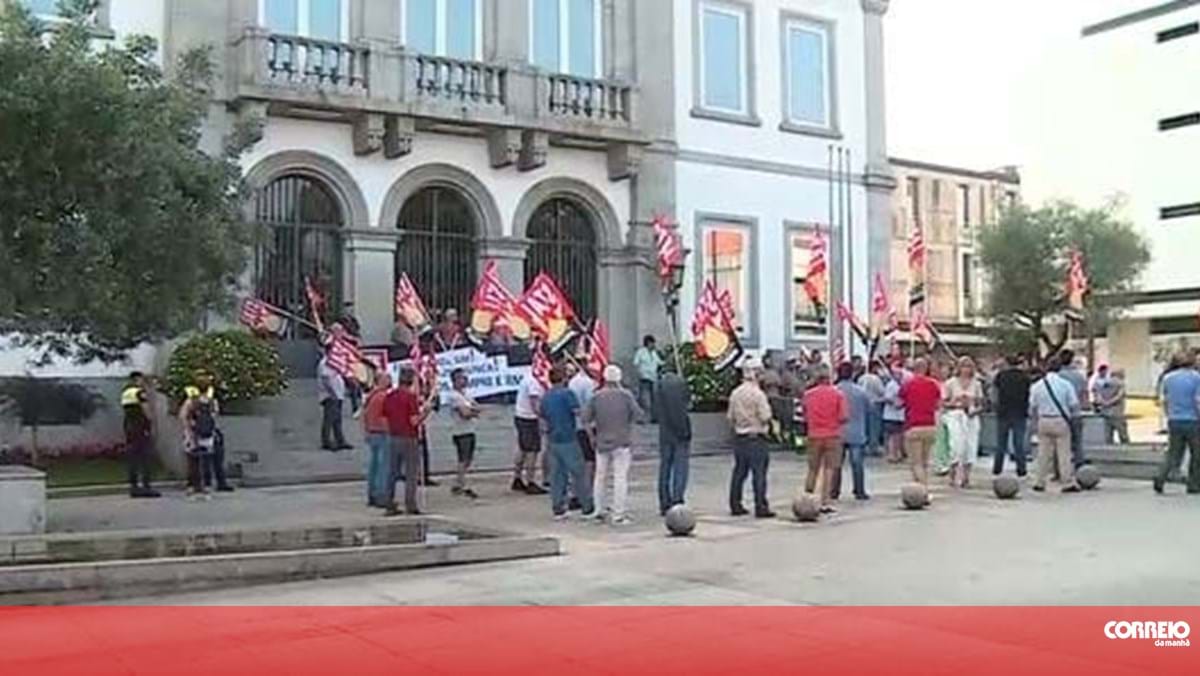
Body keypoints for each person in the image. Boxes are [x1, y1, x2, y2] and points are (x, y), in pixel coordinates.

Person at [584, 365, 643, 525]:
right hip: (622, 441)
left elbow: (586, 419)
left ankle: (599, 510)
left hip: (602, 441)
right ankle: (618, 514)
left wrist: (591, 437)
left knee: (600, 477)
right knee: (620, 478)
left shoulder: (596, 396)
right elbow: (639, 415)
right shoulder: (626, 395)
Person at [540, 366, 596, 520]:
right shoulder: (568, 394)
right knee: (579, 473)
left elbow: (543, 420)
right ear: (563, 378)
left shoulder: (546, 396)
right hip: (569, 437)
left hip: (553, 439)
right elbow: (579, 414)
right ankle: (587, 507)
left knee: (557, 476)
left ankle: (558, 508)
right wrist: (590, 434)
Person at [727, 358, 776, 518]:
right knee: (759, 473)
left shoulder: (735, 393)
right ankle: (760, 506)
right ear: (755, 373)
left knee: (739, 472)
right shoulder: (758, 394)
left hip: (740, 436)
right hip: (756, 436)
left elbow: (730, 417)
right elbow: (765, 416)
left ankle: (735, 504)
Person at [1029, 357, 1081, 493]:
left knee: (1043, 453)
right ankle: (1067, 482)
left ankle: (1039, 481)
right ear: (1060, 368)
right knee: (1064, 452)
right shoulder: (1065, 384)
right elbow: (1073, 404)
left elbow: (1032, 406)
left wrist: (1035, 422)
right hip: (1060, 420)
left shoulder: (1037, 385)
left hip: (1043, 420)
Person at [383, 368, 429, 515]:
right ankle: (410, 504)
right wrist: (426, 413)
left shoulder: (390, 396)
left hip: (393, 436)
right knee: (411, 472)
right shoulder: (410, 397)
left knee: (392, 472)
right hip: (409, 437)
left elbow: (384, 418)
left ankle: (389, 502)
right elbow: (414, 421)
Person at [802, 365, 847, 512]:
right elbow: (844, 417)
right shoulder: (838, 394)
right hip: (832, 435)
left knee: (812, 469)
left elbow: (804, 414)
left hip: (814, 434)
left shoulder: (808, 395)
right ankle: (825, 501)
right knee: (829, 469)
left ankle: (807, 497)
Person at [1155, 352, 1200, 495]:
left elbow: (1164, 400)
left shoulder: (1168, 378)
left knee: (1173, 452)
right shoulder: (1196, 377)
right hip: (1192, 420)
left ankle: (1161, 477)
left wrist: (1169, 415)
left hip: (1174, 420)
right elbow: (1198, 400)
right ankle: (1193, 484)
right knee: (1196, 453)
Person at [899, 357, 942, 502]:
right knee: (924, 463)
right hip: (930, 425)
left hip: (913, 426)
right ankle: (918, 488)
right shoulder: (933, 384)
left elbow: (899, 401)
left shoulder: (908, 385)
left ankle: (923, 492)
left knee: (915, 463)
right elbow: (938, 404)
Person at [654, 368, 692, 514]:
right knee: (680, 468)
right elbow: (686, 404)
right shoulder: (681, 383)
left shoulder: (659, 385)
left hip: (665, 432)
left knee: (665, 468)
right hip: (680, 431)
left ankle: (664, 501)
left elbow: (656, 409)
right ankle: (677, 499)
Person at [941, 357, 983, 489]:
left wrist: (974, 410)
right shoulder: (950, 383)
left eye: (969, 366)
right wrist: (954, 402)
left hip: (971, 417)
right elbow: (943, 403)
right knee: (956, 445)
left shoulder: (976, 384)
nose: (966, 369)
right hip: (955, 415)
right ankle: (952, 475)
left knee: (970, 446)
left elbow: (981, 404)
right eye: (964, 366)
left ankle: (966, 477)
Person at [832, 362, 872, 501]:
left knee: (836, 463)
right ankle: (859, 490)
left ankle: (834, 490)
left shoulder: (835, 390)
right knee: (857, 463)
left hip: (838, 431)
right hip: (857, 430)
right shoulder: (860, 391)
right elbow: (869, 408)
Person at [189, 371, 233, 493]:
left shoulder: (213, 392)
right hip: (200, 429)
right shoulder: (192, 394)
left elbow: (222, 402)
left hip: (212, 427)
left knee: (217, 455)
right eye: (201, 376)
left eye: (206, 377)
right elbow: (186, 412)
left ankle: (220, 482)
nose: (205, 379)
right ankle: (204, 483)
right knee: (203, 457)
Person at [120, 372, 160, 499]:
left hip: (129, 427)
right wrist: (152, 422)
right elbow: (145, 408)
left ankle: (134, 487)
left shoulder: (125, 393)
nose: (143, 382)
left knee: (133, 458)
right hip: (140, 427)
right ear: (137, 379)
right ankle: (146, 487)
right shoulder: (139, 392)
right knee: (145, 456)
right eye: (141, 380)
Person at [178, 379, 218, 500]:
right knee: (206, 460)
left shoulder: (191, 401)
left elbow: (182, 416)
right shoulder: (212, 402)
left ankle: (192, 487)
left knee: (192, 461)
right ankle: (207, 487)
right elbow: (214, 416)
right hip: (207, 434)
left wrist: (188, 430)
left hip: (193, 434)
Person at [993, 354, 1031, 477]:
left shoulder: (1000, 376)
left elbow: (994, 393)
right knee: (1019, 443)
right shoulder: (1025, 377)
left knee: (1001, 443)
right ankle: (1021, 468)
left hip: (1003, 412)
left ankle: (997, 468)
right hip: (1020, 412)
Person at [512, 371, 548, 495]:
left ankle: (517, 477)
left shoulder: (528, 377)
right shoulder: (534, 382)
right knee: (532, 451)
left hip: (520, 415)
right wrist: (542, 419)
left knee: (522, 449)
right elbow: (534, 403)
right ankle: (530, 481)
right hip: (529, 418)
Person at [362, 370, 393, 509]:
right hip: (382, 433)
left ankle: (372, 494)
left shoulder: (370, 396)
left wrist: (366, 431)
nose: (390, 380)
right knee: (383, 466)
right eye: (387, 378)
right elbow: (385, 417)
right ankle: (381, 495)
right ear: (380, 380)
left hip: (372, 432)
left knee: (374, 465)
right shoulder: (383, 397)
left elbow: (364, 415)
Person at [447, 369, 481, 499]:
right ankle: (461, 484)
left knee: (468, 459)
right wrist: (473, 412)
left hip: (470, 430)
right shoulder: (454, 396)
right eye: (461, 378)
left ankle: (459, 482)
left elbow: (477, 407)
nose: (464, 380)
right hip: (460, 431)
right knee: (463, 458)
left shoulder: (466, 395)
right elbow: (465, 414)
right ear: (454, 381)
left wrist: (472, 411)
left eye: (464, 377)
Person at [568, 361, 598, 490]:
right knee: (589, 461)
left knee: (579, 460)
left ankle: (576, 489)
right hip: (588, 426)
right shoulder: (588, 383)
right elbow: (590, 406)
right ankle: (587, 489)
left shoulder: (573, 382)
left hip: (575, 425)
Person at [1058, 349, 1089, 468]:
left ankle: (1062, 467)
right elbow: (1084, 395)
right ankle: (1079, 464)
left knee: (1062, 443)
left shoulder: (1058, 376)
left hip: (1060, 414)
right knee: (1077, 442)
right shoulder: (1079, 376)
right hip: (1076, 412)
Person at [317, 353, 351, 452]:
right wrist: (332, 393)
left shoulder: (334, 362)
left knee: (337, 419)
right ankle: (326, 441)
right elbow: (326, 378)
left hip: (338, 395)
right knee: (329, 419)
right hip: (330, 396)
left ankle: (340, 440)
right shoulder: (325, 363)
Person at [1092, 364, 1130, 445]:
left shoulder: (1103, 383)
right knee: (1123, 434)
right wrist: (1110, 402)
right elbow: (1120, 396)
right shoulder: (1121, 383)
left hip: (1105, 412)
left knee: (1108, 435)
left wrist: (1104, 403)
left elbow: (1097, 394)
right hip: (1117, 412)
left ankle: (1108, 451)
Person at [633, 335, 663, 423]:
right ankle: (642, 418)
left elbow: (659, 362)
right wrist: (639, 373)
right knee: (645, 400)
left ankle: (654, 417)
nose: (653, 345)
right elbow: (635, 363)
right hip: (644, 378)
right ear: (648, 343)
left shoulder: (654, 353)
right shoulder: (641, 352)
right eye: (652, 343)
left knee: (655, 399)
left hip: (654, 378)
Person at [859, 362, 886, 458]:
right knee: (874, 427)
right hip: (875, 404)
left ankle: (864, 446)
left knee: (865, 426)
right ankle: (873, 447)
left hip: (863, 405)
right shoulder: (876, 379)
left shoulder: (861, 378)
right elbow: (881, 391)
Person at [882, 362, 907, 463]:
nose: (899, 376)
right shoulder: (891, 385)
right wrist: (895, 403)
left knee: (899, 436)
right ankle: (892, 455)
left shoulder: (901, 385)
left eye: (901, 374)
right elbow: (887, 398)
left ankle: (896, 454)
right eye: (897, 374)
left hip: (900, 415)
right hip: (891, 415)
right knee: (893, 436)